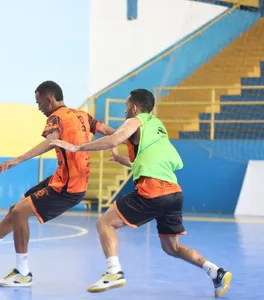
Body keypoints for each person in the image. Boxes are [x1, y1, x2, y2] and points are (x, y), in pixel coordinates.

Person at [49, 89, 232, 297]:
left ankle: (113, 272)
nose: (125, 110)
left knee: (104, 223)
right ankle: (216, 272)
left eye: (127, 106)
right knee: (171, 248)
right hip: (173, 193)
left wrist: (76, 148)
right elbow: (145, 162)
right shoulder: (157, 125)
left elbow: (113, 140)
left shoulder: (136, 120)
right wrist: (122, 160)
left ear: (134, 107)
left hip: (152, 190)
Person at [0, 80, 115, 287]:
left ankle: (23, 273)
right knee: (14, 210)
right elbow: (110, 132)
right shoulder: (82, 115)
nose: (39, 108)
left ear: (50, 99)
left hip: (67, 188)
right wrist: (114, 149)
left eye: (39, 103)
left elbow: (50, 141)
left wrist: (17, 160)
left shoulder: (56, 117)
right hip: (61, 179)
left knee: (19, 213)